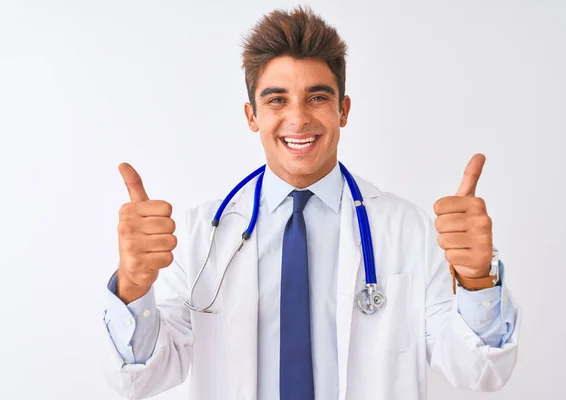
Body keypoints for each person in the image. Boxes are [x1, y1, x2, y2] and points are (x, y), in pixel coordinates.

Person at [101, 6, 520, 400]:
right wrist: (134, 289)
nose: (298, 118)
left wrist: (476, 280)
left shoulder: (406, 228)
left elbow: (480, 371)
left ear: (344, 110)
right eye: (277, 99)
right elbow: (141, 377)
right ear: (252, 116)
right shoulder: (198, 234)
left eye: (317, 97)